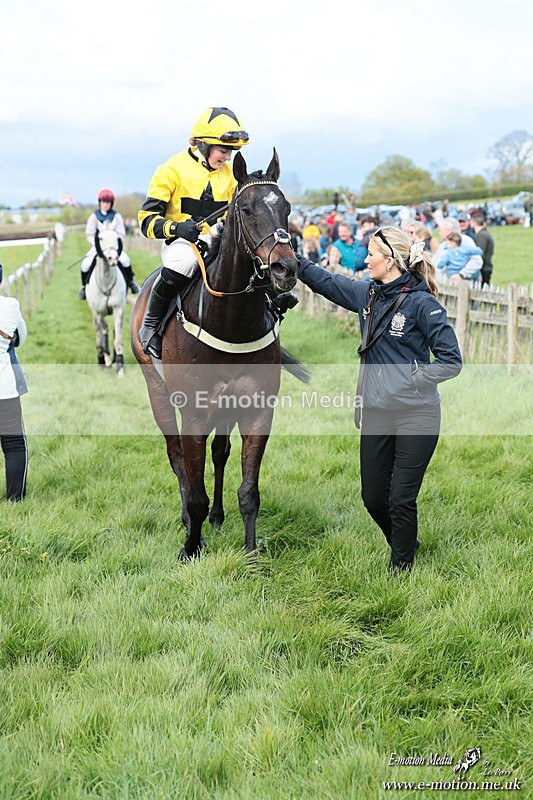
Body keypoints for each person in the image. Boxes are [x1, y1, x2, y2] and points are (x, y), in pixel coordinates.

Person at [296, 227, 462, 572]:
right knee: (373, 498)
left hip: (417, 414)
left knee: (401, 498)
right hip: (375, 411)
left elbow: (451, 361)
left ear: (390, 261)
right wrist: (288, 256)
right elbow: (326, 282)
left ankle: (400, 568)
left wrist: (414, 377)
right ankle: (406, 541)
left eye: (371, 254)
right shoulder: (367, 296)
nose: (365, 260)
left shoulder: (423, 304)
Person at [137, 106, 297, 358]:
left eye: (231, 151)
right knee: (183, 263)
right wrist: (177, 227)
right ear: (203, 144)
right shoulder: (170, 170)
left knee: (249, 259)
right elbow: (146, 221)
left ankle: (272, 305)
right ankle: (150, 324)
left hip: (219, 238)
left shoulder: (231, 176)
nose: (228, 157)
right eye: (223, 150)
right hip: (181, 242)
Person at [79, 189, 139, 300]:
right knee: (85, 264)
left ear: (111, 203)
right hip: (98, 247)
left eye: (108, 202)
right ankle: (84, 287)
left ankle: (131, 283)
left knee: (126, 260)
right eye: (103, 202)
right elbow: (89, 234)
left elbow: (121, 234)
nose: (106, 204)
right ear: (100, 203)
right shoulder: (94, 217)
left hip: (113, 247)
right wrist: (98, 245)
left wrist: (114, 245)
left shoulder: (117, 217)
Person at [0, 265, 28, 502]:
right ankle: (14, 500)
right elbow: (21, 336)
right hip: (5, 385)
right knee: (14, 445)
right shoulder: (10, 305)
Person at [471, 213, 495, 287]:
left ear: (474, 223)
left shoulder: (482, 235)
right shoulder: (484, 233)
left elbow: (480, 253)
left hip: (483, 268)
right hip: (485, 267)